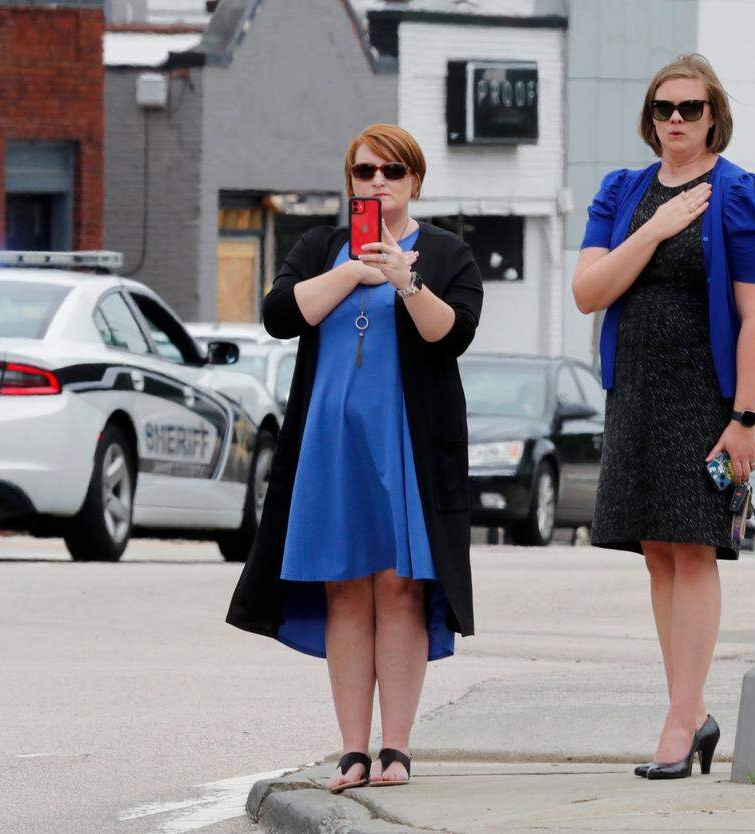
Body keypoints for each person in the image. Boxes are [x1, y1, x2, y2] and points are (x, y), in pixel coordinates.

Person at [225, 124, 483, 791]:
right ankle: (351, 749)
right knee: (343, 587)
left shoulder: (447, 252)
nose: (378, 183)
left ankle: (395, 747)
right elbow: (281, 315)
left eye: (393, 172)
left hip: (408, 443)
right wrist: (350, 269)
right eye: (365, 172)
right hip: (329, 445)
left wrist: (404, 280)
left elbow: (450, 335)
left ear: (415, 182)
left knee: (399, 586)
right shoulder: (320, 247)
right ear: (351, 181)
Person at [572, 54, 755, 780]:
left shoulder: (741, 193)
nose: (677, 122)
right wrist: (655, 229)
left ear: (714, 114)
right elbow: (588, 291)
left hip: (705, 395)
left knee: (693, 549)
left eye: (691, 109)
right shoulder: (623, 190)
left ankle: (681, 716)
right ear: (650, 116)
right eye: (665, 109)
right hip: (634, 391)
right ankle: (689, 711)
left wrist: (745, 418)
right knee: (655, 552)